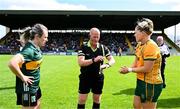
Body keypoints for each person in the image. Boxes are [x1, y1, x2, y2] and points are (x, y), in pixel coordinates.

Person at [119, 18, 163, 109]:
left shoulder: (151, 46)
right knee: (136, 105)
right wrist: (127, 69)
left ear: (143, 33)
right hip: (141, 81)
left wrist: (130, 70)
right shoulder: (139, 44)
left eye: (136, 32)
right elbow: (136, 62)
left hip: (151, 83)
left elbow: (147, 68)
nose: (134, 34)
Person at [8, 23, 48, 109]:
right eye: (45, 37)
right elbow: (12, 63)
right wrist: (23, 77)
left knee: (37, 105)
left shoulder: (36, 48)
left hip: (35, 86)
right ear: (37, 36)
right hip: (27, 88)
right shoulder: (29, 50)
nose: (46, 39)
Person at [77, 27, 115, 109]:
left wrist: (107, 65)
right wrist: (94, 59)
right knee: (82, 100)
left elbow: (112, 60)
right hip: (85, 77)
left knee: (97, 100)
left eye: (98, 37)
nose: (96, 39)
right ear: (89, 35)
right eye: (94, 36)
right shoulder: (83, 47)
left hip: (98, 77)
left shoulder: (103, 48)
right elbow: (81, 63)